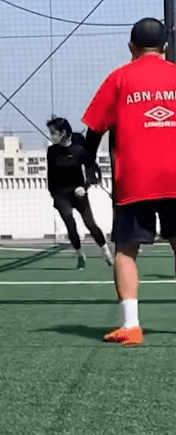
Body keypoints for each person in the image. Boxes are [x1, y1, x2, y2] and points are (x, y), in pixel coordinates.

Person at [82, 17, 176, 346]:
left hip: (135, 178)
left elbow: (94, 129)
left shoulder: (120, 77)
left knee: (125, 250)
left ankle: (131, 326)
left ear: (131, 47)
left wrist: (89, 164)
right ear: (165, 47)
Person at [46, 116, 114, 270]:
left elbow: (91, 171)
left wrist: (85, 187)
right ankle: (80, 256)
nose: (51, 136)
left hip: (79, 193)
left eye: (53, 133)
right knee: (70, 224)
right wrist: (53, 194)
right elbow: (50, 176)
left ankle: (106, 252)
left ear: (63, 133)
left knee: (90, 224)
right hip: (60, 194)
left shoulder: (79, 150)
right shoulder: (52, 151)